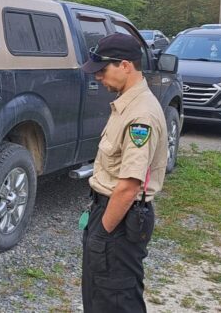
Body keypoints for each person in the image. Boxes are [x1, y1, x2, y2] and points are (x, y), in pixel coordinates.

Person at [79, 33, 168, 312]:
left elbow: (129, 187)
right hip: (107, 212)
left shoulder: (140, 115)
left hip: (120, 220)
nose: (98, 78)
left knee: (116, 299)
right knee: (97, 296)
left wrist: (103, 233)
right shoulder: (126, 104)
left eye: (103, 70)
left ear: (125, 66)